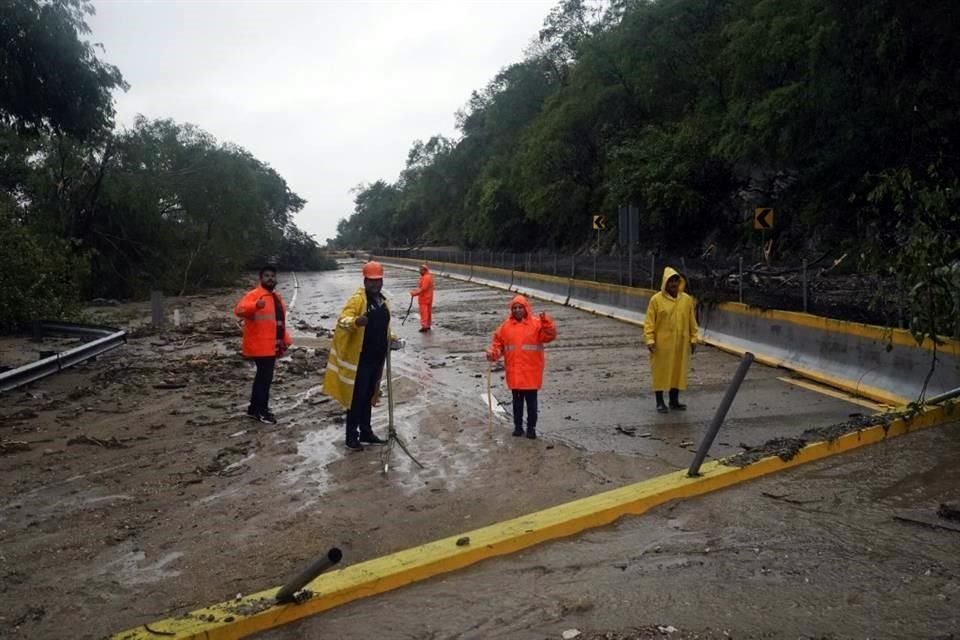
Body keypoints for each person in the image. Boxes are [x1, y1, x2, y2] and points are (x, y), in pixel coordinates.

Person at [323, 260, 395, 451]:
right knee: (357, 398)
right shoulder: (358, 300)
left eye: (378, 280)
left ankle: (366, 432)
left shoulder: (383, 301)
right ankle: (351, 436)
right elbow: (343, 320)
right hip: (361, 359)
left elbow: (384, 327)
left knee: (369, 396)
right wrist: (356, 321)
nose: (375, 284)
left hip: (377, 359)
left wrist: (392, 339)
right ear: (364, 281)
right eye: (371, 281)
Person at [486, 295, 557, 439]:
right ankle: (518, 426)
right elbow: (498, 345)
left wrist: (547, 322)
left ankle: (531, 428)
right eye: (515, 308)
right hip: (515, 372)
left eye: (520, 307)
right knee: (517, 403)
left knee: (532, 404)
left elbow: (549, 336)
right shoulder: (505, 327)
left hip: (531, 372)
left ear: (526, 308)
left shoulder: (537, 324)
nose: (517, 310)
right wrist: (493, 354)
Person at [234, 266, 292, 424]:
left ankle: (255, 409)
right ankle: (260, 410)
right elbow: (239, 310)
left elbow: (278, 322)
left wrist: (285, 339)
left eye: (273, 275)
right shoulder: (254, 295)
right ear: (261, 278)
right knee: (264, 379)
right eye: (267, 276)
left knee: (264, 379)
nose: (270, 278)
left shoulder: (277, 297)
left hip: (272, 346)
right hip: (259, 346)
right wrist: (255, 306)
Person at [643, 266, 699, 413]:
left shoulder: (686, 300)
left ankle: (674, 401)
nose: (673, 285)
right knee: (661, 372)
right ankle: (660, 401)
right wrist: (650, 340)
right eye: (670, 282)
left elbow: (692, 320)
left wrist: (694, 338)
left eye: (676, 281)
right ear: (665, 283)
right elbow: (649, 322)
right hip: (662, 344)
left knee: (677, 371)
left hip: (681, 342)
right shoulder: (656, 300)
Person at [409, 263, 435, 332]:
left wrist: (414, 293)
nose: (419, 271)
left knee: (424, 313)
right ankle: (428, 325)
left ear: (424, 270)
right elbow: (423, 288)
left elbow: (423, 289)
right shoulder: (428, 277)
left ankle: (424, 326)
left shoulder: (426, 278)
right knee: (428, 313)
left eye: (420, 270)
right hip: (428, 298)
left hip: (424, 298)